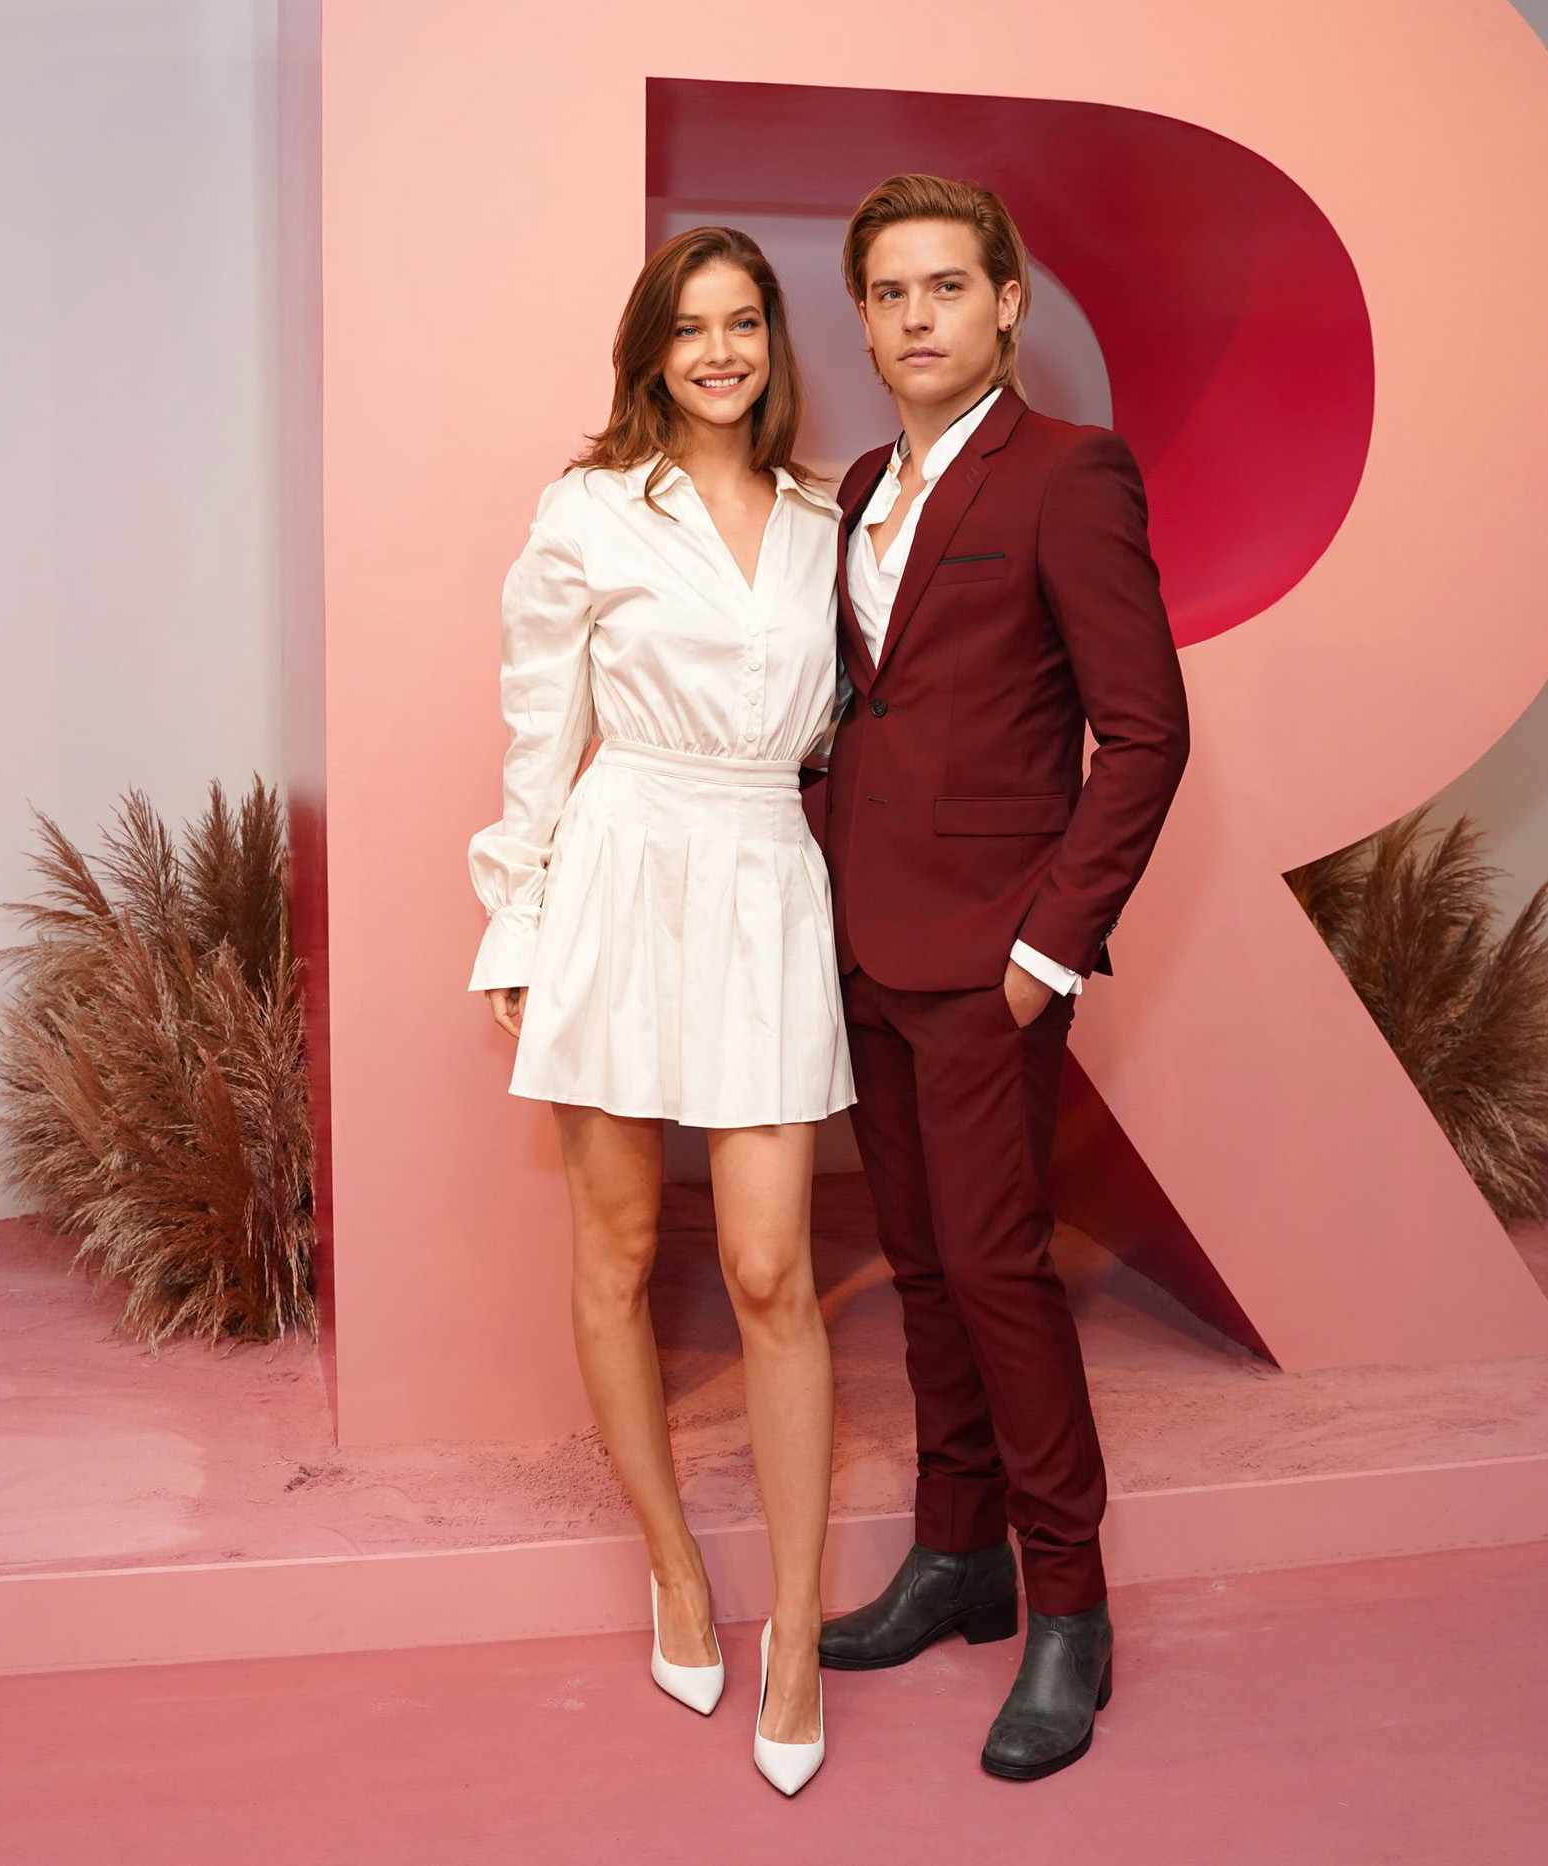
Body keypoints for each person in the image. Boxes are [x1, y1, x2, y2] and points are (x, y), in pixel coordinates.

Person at [812, 175, 1191, 1782]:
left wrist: (1044, 950)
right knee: (918, 1265)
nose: (917, 317)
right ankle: (956, 1554)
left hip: (989, 961)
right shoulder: (859, 486)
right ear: (863, 318)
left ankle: (1069, 1610)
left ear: (1007, 301)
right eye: (889, 292)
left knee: (997, 1270)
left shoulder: (1067, 475)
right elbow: (874, 709)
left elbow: (1146, 733)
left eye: (946, 287)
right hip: (862, 943)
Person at [467, 225, 844, 1797]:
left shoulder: (830, 518)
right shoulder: (587, 511)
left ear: (772, 341)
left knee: (767, 1268)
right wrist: (515, 919)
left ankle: (798, 1627)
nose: (718, 351)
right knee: (618, 1252)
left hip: (763, 876)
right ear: (649, 350)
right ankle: (675, 1568)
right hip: (619, 874)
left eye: (741, 322)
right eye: (688, 327)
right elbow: (537, 728)